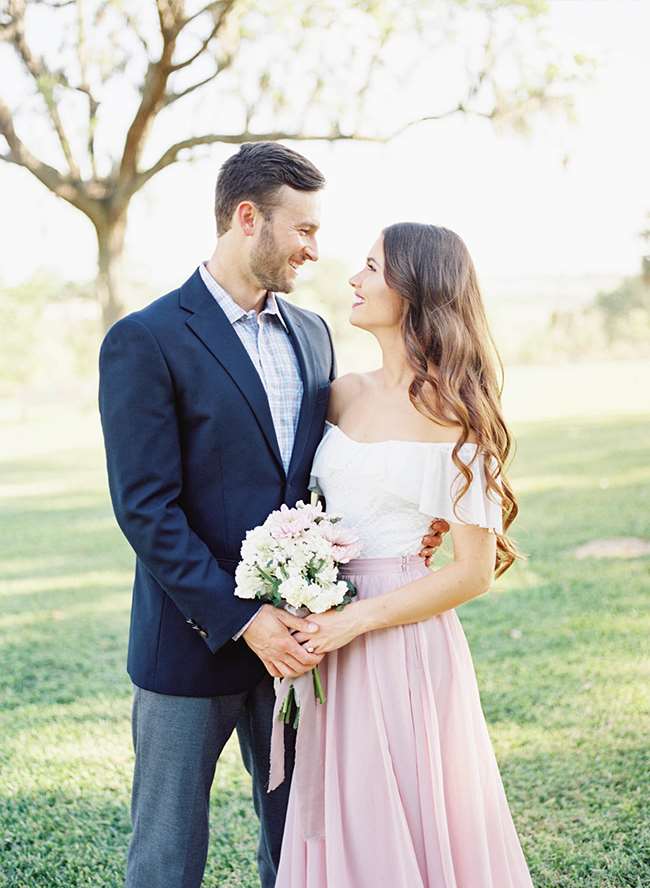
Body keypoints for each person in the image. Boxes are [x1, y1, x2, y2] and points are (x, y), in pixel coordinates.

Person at [98, 143, 445, 888]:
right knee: (164, 857)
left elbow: (336, 468)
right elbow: (144, 508)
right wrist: (241, 616)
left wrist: (418, 513)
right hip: (189, 645)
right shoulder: (146, 339)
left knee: (300, 851)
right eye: (305, 230)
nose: (316, 251)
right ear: (247, 218)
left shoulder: (315, 333)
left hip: (304, 648)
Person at [276, 223, 534, 887]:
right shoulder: (338, 394)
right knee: (343, 814)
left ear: (416, 290)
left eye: (370, 268)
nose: (354, 281)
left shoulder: (456, 414)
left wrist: (357, 619)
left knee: (411, 811)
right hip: (326, 629)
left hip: (403, 644)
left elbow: (472, 571)